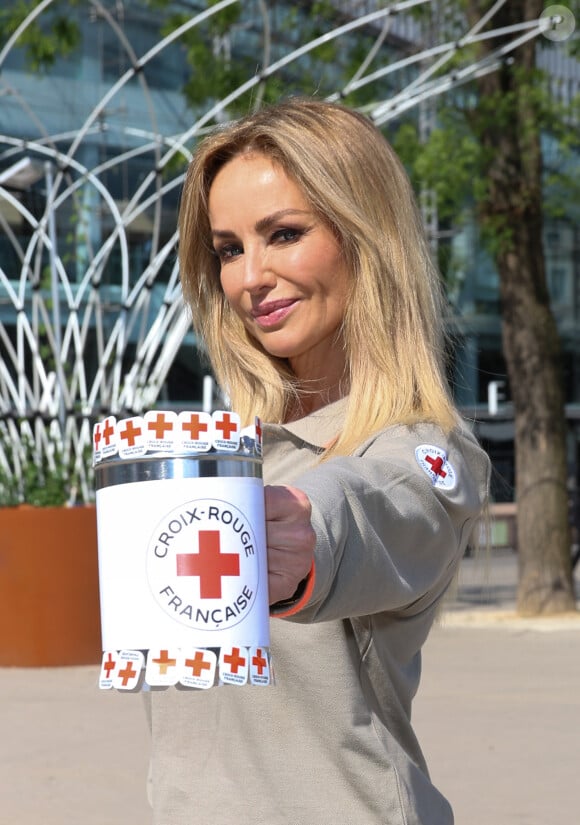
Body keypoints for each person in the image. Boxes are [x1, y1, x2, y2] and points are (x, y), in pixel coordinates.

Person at [147, 97, 490, 824]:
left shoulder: (425, 452)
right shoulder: (222, 454)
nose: (250, 277)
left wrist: (305, 531)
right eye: (230, 248)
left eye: (285, 234)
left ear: (365, 235)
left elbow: (376, 501)